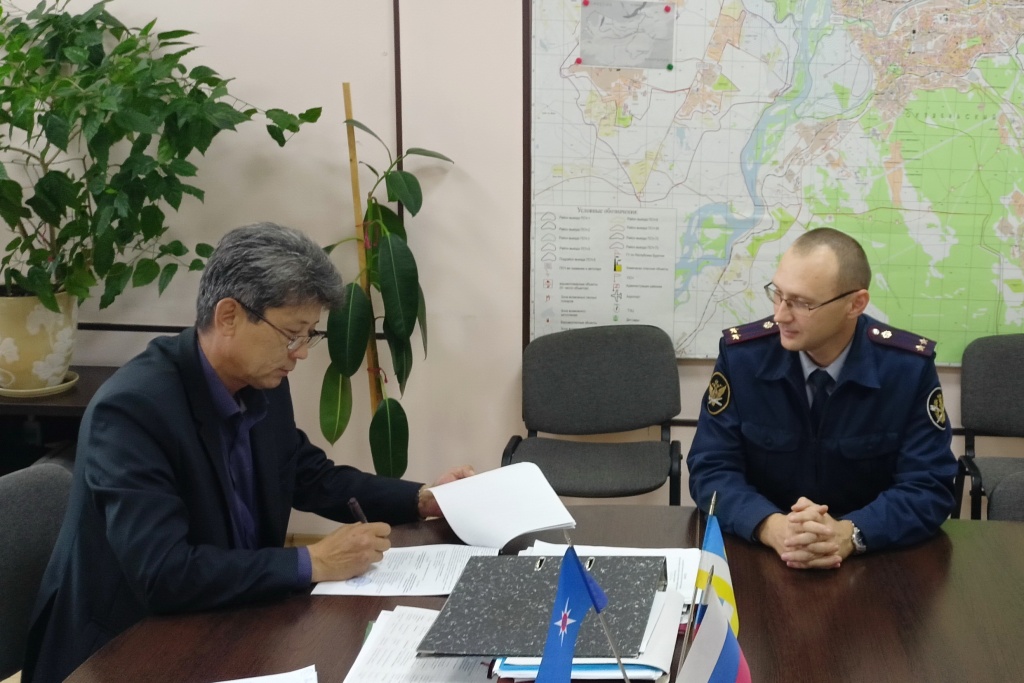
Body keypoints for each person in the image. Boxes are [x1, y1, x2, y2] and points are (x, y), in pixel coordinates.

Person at [23, 222, 473, 682]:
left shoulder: (261, 382)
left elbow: (308, 475)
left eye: (309, 335)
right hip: (124, 651)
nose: (300, 353)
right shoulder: (133, 410)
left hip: (227, 622)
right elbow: (163, 572)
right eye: (292, 334)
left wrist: (421, 498)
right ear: (229, 316)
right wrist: (314, 561)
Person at [687, 228, 956, 570]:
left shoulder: (906, 369)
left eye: (802, 303)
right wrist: (770, 525)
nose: (781, 315)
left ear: (855, 304)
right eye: (778, 294)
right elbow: (711, 467)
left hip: (874, 561)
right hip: (762, 557)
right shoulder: (743, 358)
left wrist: (852, 533)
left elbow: (929, 485)